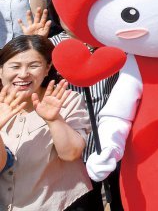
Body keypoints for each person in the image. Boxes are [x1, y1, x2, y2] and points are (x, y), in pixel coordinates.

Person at [0, 35, 90, 210]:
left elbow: (71, 153)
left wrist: (54, 120)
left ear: (48, 68)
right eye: (15, 66)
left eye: (34, 66)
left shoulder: (64, 99)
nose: (24, 74)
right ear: (1, 69)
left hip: (61, 204)